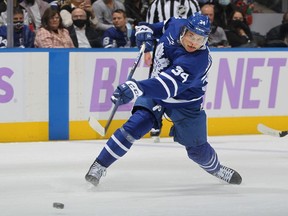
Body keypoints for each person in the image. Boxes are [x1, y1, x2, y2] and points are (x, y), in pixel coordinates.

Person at [85, 12, 242, 186]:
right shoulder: (175, 24)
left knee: (198, 152)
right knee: (133, 127)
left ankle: (217, 168)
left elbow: (167, 86)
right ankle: (99, 165)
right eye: (191, 36)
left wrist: (137, 87)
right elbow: (153, 28)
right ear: (184, 30)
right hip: (154, 94)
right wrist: (145, 33)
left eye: (200, 39)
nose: (194, 43)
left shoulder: (198, 60)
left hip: (185, 104)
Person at [145, 0, 200, 142]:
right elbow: (149, 28)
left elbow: (199, 28)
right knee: (157, 83)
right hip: (162, 51)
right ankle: (155, 120)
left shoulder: (191, 3)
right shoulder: (156, 5)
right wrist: (147, 50)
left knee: (181, 86)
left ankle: (179, 121)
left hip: (184, 52)